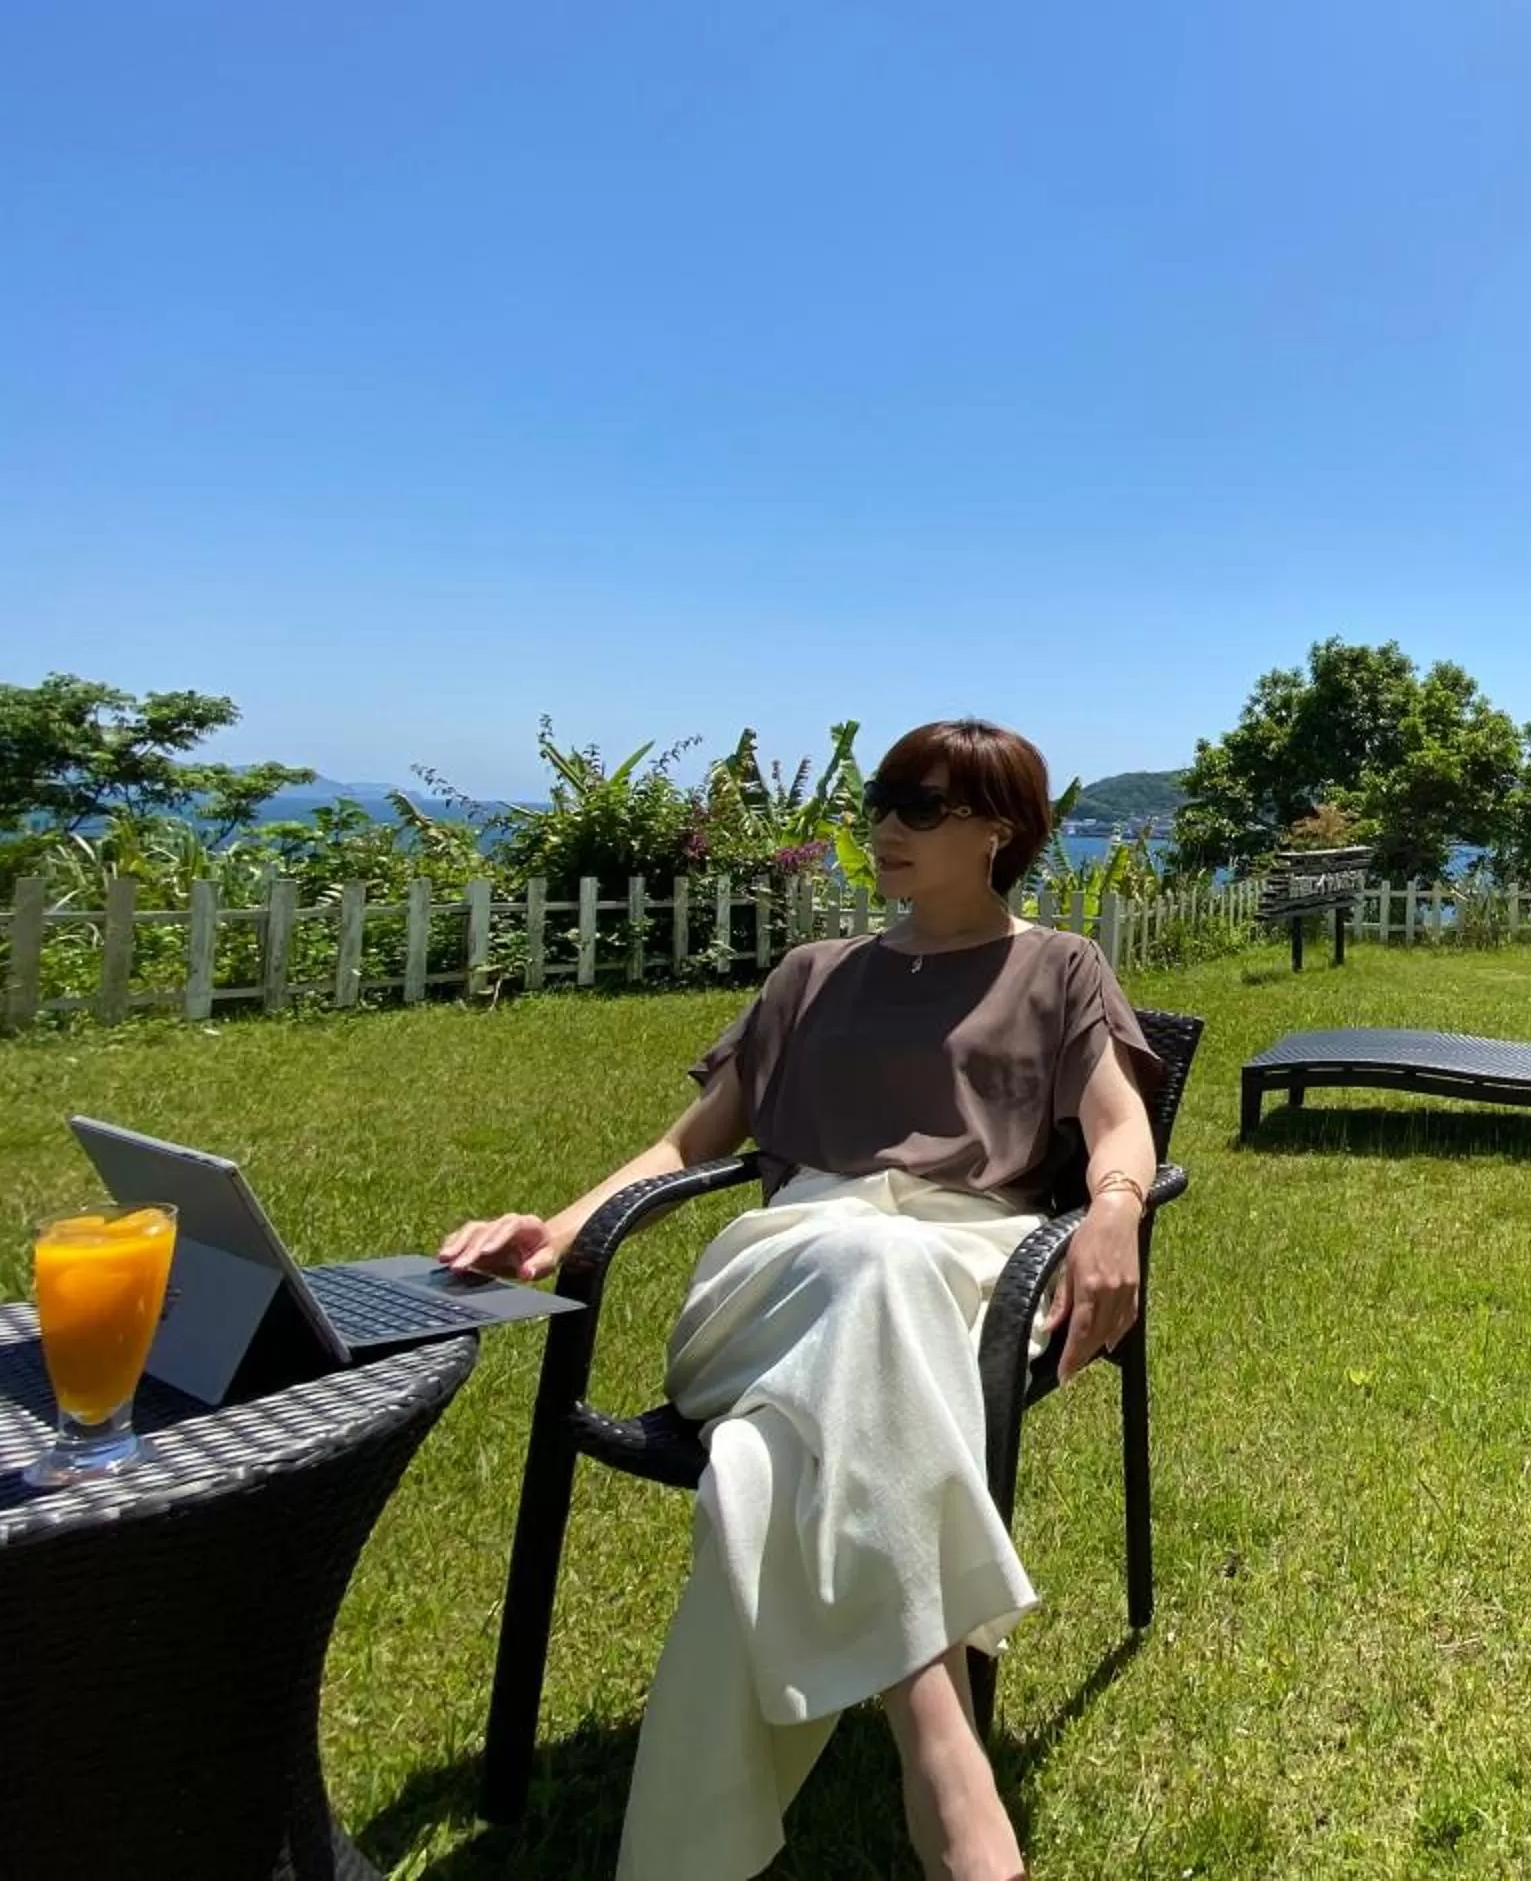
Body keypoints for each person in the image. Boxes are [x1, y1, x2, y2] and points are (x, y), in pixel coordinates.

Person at [440, 718, 1162, 1881]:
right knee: (862, 1262)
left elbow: (1119, 1120)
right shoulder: (812, 974)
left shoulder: (1061, 967)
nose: (885, 827)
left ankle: (697, 1854)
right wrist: (558, 1229)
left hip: (964, 1268)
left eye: (922, 807)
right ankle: (941, 1748)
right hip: (784, 1269)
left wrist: (1116, 1208)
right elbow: (684, 1147)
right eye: (882, 800)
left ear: (1000, 830)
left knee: (767, 1463)